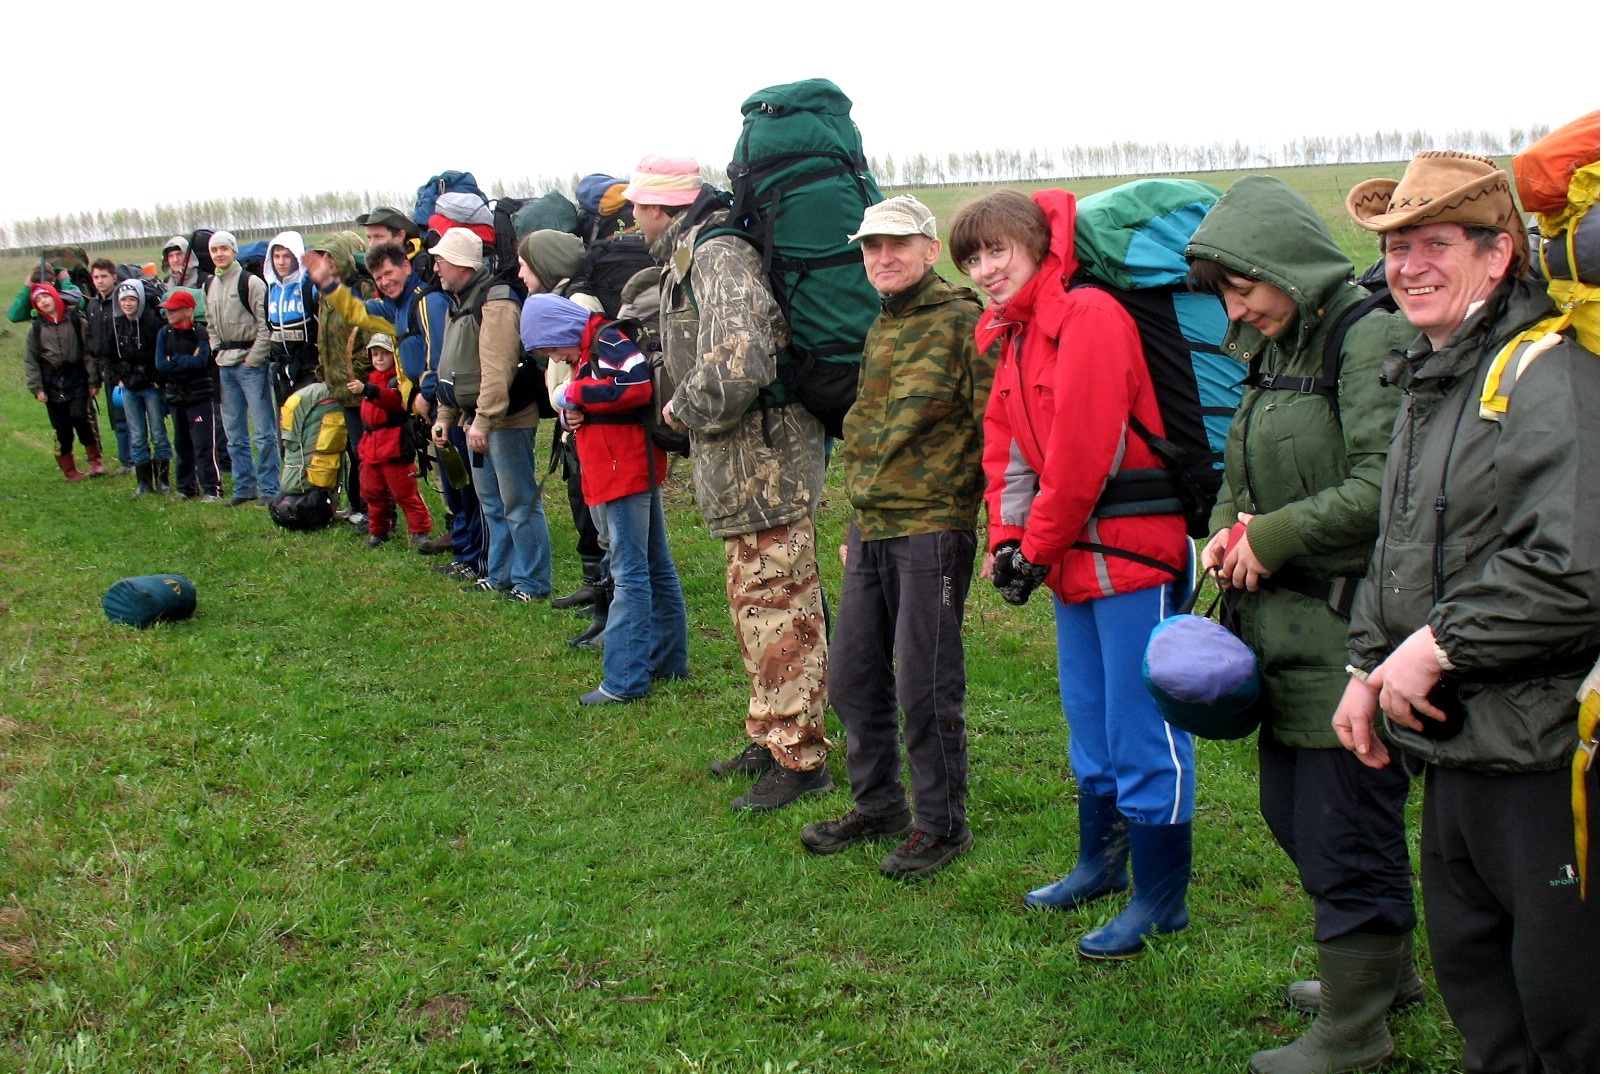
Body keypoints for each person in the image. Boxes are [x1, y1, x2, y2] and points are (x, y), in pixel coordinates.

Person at [1333, 152, 1599, 1074]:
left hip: (1546, 753)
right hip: (1458, 746)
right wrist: (1368, 665)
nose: (1408, 266)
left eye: (1434, 243)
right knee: (1479, 987)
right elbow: (1401, 544)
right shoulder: (1434, 373)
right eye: (1397, 246)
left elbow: (1574, 570)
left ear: (1499, 253)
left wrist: (1436, 647)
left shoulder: (1545, 374)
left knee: (1566, 1007)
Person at [1185, 176, 1418, 1073]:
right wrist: (1226, 524)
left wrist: (1273, 536)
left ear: (1283, 262)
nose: (1237, 308)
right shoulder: (1275, 347)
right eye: (1224, 295)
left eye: (1244, 287)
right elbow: (1241, 460)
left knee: (1341, 827)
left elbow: (1386, 485)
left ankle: (1356, 1033)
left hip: (1351, 636)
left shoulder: (1367, 338)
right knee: (1296, 814)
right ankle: (1382, 973)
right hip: (1280, 634)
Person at [950, 189, 1192, 957]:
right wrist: (1007, 540)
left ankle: (1161, 898)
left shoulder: (1088, 318)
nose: (985, 270)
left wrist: (1038, 547)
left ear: (1039, 247)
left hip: (1133, 555)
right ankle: (1101, 864)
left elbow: (1086, 453)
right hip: (1074, 561)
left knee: (1141, 729)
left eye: (997, 251)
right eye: (973, 259)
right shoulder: (1018, 335)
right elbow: (1010, 447)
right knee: (1090, 722)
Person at [796, 196, 993, 878]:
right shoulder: (882, 326)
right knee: (853, 676)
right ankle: (879, 805)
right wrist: (856, 519)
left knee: (926, 684)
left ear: (929, 250)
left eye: (898, 245)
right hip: (874, 527)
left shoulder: (964, 322)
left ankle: (942, 824)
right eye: (872, 248)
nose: (883, 258)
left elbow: (996, 430)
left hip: (933, 528)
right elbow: (869, 431)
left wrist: (1001, 530)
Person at [630, 153, 833, 813]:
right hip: (746, 464)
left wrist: (680, 407)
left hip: (763, 463)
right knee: (756, 604)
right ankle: (770, 733)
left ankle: (800, 759)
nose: (633, 220)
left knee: (780, 607)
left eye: (637, 207)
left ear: (661, 207)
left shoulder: (716, 256)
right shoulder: (698, 251)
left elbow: (741, 357)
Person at [522, 293, 689, 702]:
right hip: (624, 466)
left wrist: (574, 393)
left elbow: (632, 385)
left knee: (630, 573)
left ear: (561, 330)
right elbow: (596, 399)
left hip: (623, 469)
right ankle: (668, 662)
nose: (556, 357)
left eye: (551, 348)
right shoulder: (593, 345)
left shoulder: (608, 341)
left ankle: (624, 681)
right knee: (654, 565)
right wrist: (570, 410)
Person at [308, 238, 467, 562]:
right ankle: (463, 543)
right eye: (378, 278)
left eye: (390, 273)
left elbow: (439, 354)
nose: (385, 282)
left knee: (459, 475)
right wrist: (327, 283)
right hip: (427, 403)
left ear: (406, 267)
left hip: (442, 401)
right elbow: (357, 312)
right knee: (452, 476)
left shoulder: (427, 302)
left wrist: (426, 393)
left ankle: (470, 545)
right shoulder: (396, 307)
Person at [430, 227, 553, 602]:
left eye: (441, 260)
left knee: (519, 503)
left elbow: (498, 368)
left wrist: (483, 420)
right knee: (493, 504)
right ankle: (501, 575)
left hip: (506, 418)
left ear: (461, 265)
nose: (435, 267)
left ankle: (532, 582)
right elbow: (453, 367)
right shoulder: (462, 300)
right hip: (477, 420)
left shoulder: (494, 302)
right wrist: (446, 415)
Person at [520, 230, 609, 621]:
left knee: (595, 508)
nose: (520, 273)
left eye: (525, 264)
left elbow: (587, 365)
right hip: (571, 417)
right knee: (580, 501)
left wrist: (567, 400)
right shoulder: (560, 299)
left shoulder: (578, 302)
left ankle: (604, 589)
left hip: (584, 418)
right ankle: (596, 583)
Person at [302, 232, 375, 530]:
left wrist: (356, 374)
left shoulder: (361, 289)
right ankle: (358, 505)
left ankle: (376, 511)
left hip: (361, 387)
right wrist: (325, 371)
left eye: (331, 257)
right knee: (352, 451)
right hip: (338, 386)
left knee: (367, 452)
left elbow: (370, 337)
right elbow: (326, 336)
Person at [205, 230, 279, 506]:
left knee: (263, 431)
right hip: (225, 364)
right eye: (214, 250)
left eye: (224, 248)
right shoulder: (209, 285)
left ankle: (270, 488)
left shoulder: (251, 283)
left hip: (251, 364)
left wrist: (254, 358)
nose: (219, 254)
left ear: (234, 251)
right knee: (234, 432)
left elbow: (265, 325)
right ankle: (245, 487)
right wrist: (215, 350)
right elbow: (210, 324)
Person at [346, 334, 432, 550]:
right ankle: (378, 530)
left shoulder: (398, 381)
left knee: (404, 492)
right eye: (375, 354)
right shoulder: (372, 379)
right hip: (372, 445)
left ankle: (419, 531)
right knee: (372, 492)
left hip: (393, 444)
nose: (379, 358)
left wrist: (368, 390)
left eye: (385, 354)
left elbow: (395, 402)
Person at [23, 283, 102, 481]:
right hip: (52, 381)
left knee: (80, 417)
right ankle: (69, 469)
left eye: (46, 297)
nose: (43, 302)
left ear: (55, 297)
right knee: (62, 427)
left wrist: (93, 380)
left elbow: (88, 352)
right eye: (38, 300)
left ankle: (95, 459)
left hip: (76, 377)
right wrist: (37, 388)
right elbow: (31, 360)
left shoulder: (76, 320)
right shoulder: (36, 328)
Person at [110, 278, 175, 498]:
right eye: (124, 300)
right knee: (137, 435)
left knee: (158, 433)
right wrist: (119, 376)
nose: (128, 304)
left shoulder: (153, 323)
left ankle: (163, 481)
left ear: (140, 299)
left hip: (151, 386)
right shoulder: (117, 325)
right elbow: (109, 355)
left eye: (132, 299)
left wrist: (158, 378)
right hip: (129, 387)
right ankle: (143, 482)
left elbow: (162, 351)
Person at [154, 290, 221, 501]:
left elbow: (200, 362)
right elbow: (160, 364)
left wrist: (174, 359)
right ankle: (186, 487)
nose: (169, 314)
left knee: (203, 445)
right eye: (168, 310)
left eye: (174, 310)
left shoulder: (201, 333)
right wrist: (183, 360)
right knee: (181, 444)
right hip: (176, 397)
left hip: (199, 397)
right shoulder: (164, 333)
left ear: (188, 311)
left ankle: (212, 488)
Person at [84, 260, 135, 475]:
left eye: (103, 276)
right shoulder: (93, 306)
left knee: (132, 414)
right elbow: (91, 341)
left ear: (114, 277)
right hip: (106, 367)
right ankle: (126, 461)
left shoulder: (122, 302)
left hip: (126, 367)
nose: (99, 281)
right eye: (96, 277)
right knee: (117, 417)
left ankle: (138, 459)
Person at [263, 231, 318, 405]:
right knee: (286, 427)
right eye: (276, 256)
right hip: (282, 373)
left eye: (286, 256)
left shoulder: (310, 287)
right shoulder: (271, 290)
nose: (280, 262)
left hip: (309, 371)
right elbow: (269, 327)